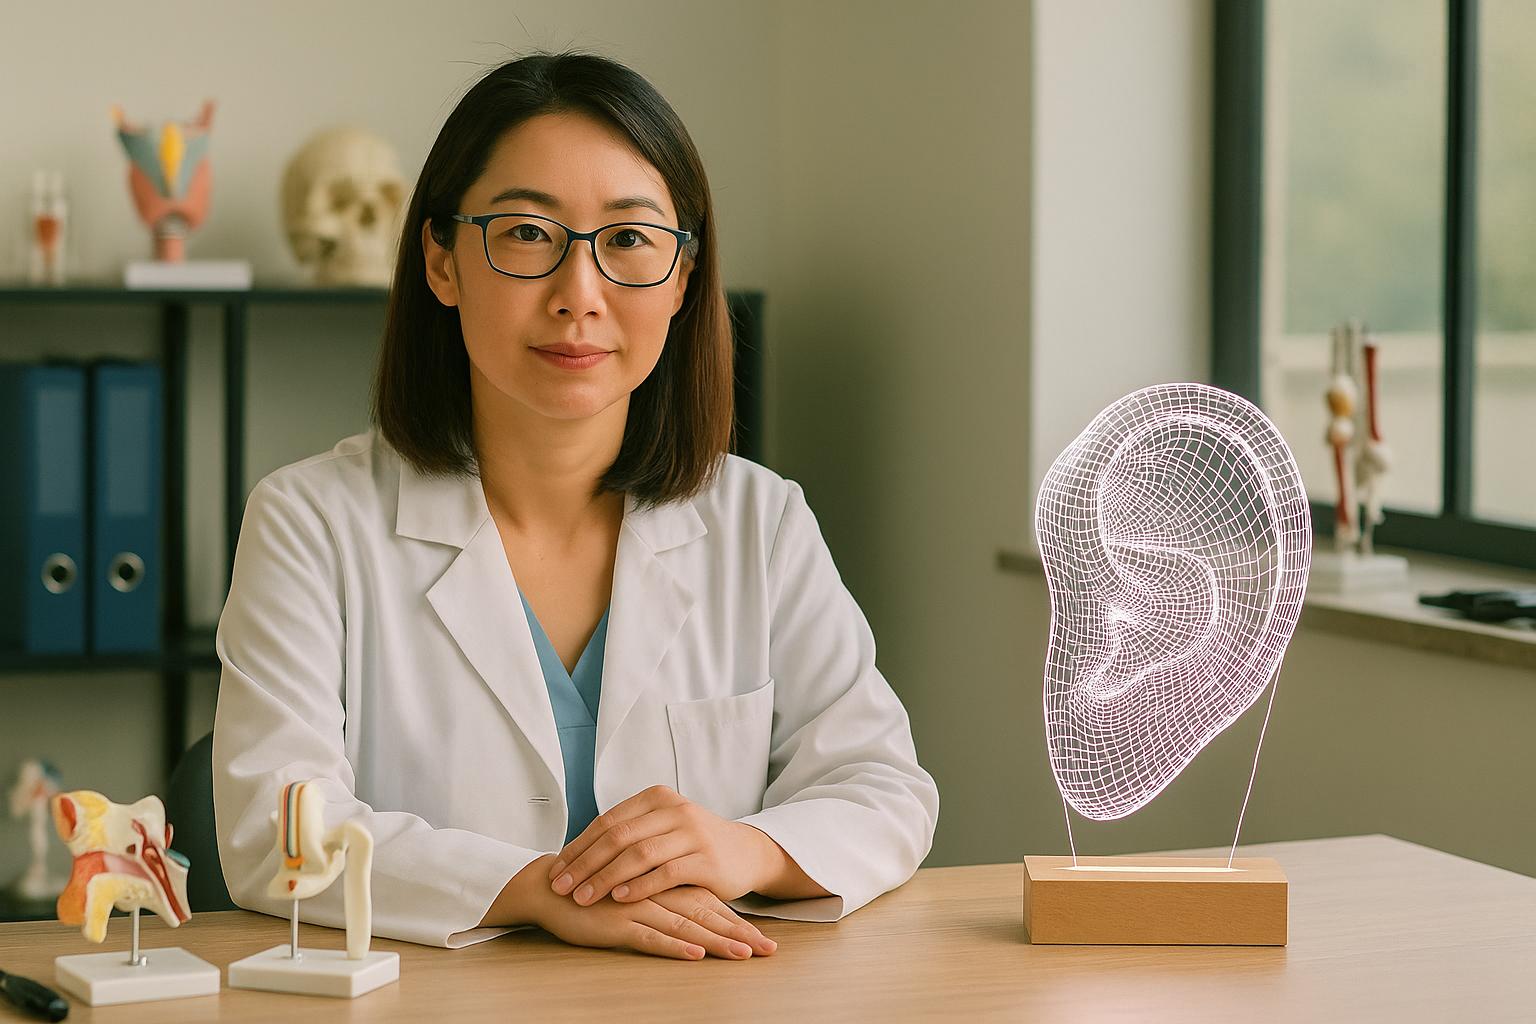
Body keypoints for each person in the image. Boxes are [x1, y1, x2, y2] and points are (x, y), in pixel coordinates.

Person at [212, 49, 939, 961]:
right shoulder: (310, 525)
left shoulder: (762, 521)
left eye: (630, 240)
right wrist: (537, 892)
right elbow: (274, 833)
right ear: (442, 260)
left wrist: (742, 848)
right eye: (526, 234)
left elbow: (885, 788)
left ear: (681, 278)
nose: (579, 296)